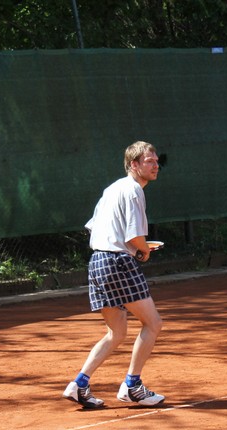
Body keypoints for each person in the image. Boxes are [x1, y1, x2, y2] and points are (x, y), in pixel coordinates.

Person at [63, 141, 165, 409]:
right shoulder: (133, 190)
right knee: (153, 323)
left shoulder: (112, 189)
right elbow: (134, 237)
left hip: (98, 262)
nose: (155, 165)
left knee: (116, 332)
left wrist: (135, 247)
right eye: (149, 161)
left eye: (156, 161)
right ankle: (132, 386)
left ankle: (79, 384)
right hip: (118, 262)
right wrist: (144, 250)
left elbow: (96, 227)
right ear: (133, 164)